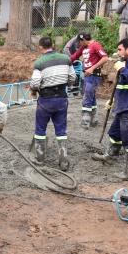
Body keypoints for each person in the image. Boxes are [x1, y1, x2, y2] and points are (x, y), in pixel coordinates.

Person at [92, 38, 128, 180]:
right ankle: (111, 156)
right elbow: (125, 86)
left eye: (120, 50)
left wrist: (122, 69)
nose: (118, 53)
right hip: (124, 106)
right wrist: (113, 101)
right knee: (116, 133)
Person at [30, 36, 77, 171]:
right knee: (61, 130)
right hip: (62, 99)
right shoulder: (66, 59)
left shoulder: (39, 62)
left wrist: (33, 90)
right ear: (53, 44)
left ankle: (40, 159)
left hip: (46, 100)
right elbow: (72, 78)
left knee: (40, 130)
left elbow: (35, 83)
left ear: (41, 48)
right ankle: (63, 161)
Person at [70, 31, 109, 129]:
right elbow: (74, 56)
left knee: (87, 97)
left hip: (94, 76)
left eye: (79, 41)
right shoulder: (83, 48)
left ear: (83, 40)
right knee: (91, 96)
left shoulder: (96, 46)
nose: (79, 44)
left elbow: (105, 58)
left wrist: (93, 68)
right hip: (87, 76)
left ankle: (85, 122)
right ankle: (94, 120)